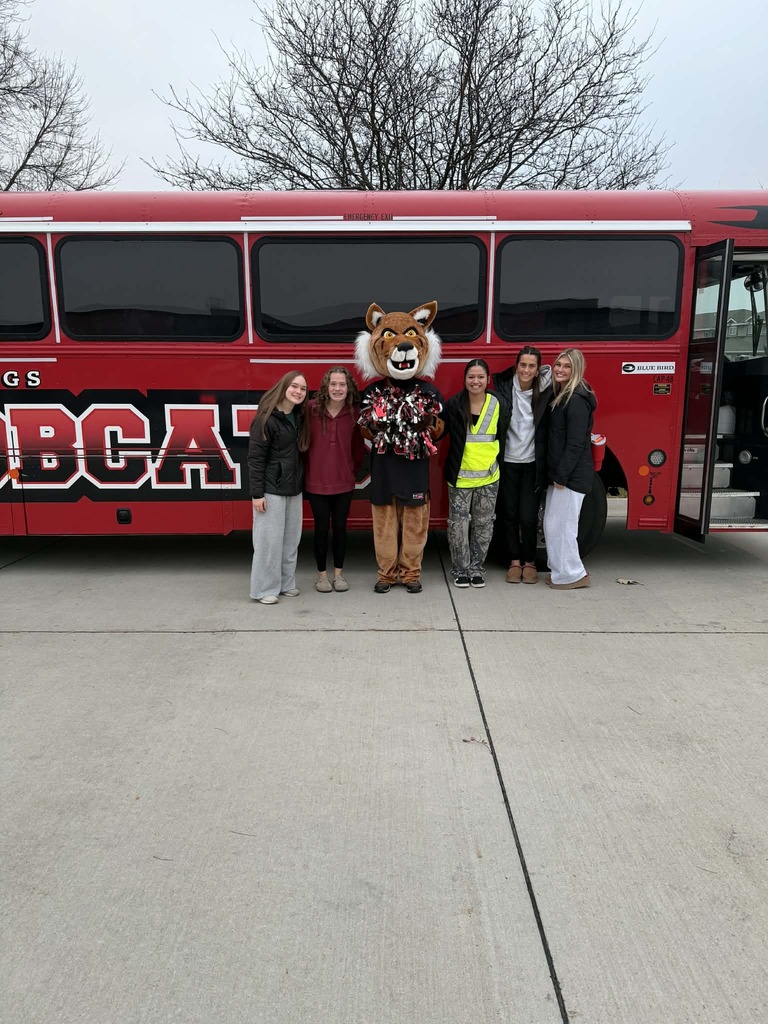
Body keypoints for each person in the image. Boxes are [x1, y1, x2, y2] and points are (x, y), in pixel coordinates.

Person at [442, 359, 510, 588]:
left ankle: (476, 568)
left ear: (488, 379)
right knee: (458, 525)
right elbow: (441, 432)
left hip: (489, 477)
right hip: (460, 477)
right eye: (471, 377)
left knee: (484, 524)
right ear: (464, 379)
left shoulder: (499, 403)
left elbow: (503, 435)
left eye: (480, 377)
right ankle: (460, 569)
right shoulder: (454, 404)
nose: (476, 381)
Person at [248, 371, 310, 604]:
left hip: (293, 488)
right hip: (271, 490)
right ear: (283, 387)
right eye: (294, 386)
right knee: (268, 542)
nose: (298, 392)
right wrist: (257, 494)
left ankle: (286, 583)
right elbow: (255, 459)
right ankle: (264, 589)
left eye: (303, 389)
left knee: (290, 540)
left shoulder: (299, 417)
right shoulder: (266, 419)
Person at [493, 346, 553, 584]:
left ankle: (530, 562)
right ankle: (514, 562)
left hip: (532, 464)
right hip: (507, 462)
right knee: (508, 514)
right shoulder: (504, 388)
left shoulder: (546, 392)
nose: (526, 370)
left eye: (531, 366)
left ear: (538, 370)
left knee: (528, 516)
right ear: (516, 366)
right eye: (522, 365)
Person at [305, 366, 367, 593]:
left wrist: (351, 470)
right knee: (321, 529)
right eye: (333, 384)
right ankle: (321, 576)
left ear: (348, 387)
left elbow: (359, 449)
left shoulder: (355, 413)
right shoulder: (311, 409)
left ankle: (338, 575)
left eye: (342, 384)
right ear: (326, 386)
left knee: (340, 528)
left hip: (344, 482)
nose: (338, 388)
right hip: (316, 482)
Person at [542, 349, 596, 590]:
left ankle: (573, 574)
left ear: (576, 370)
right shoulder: (563, 394)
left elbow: (575, 444)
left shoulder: (576, 400)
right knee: (554, 524)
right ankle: (560, 572)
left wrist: (562, 476)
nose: (560, 369)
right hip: (563, 474)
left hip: (571, 476)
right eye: (558, 365)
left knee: (563, 527)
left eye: (567, 367)